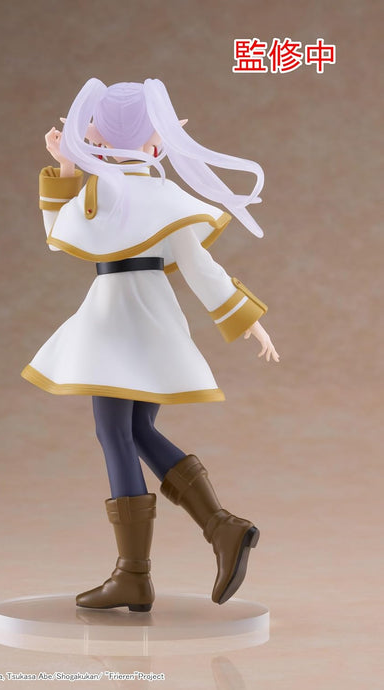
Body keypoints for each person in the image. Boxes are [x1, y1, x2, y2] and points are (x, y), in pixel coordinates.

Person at [22, 78, 279, 613]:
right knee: (137, 429)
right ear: (155, 140)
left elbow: (57, 235)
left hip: (114, 315)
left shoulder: (101, 191)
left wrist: (67, 168)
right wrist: (247, 319)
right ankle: (220, 527)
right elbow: (201, 268)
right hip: (156, 315)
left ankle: (134, 574)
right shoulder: (166, 196)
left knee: (114, 432)